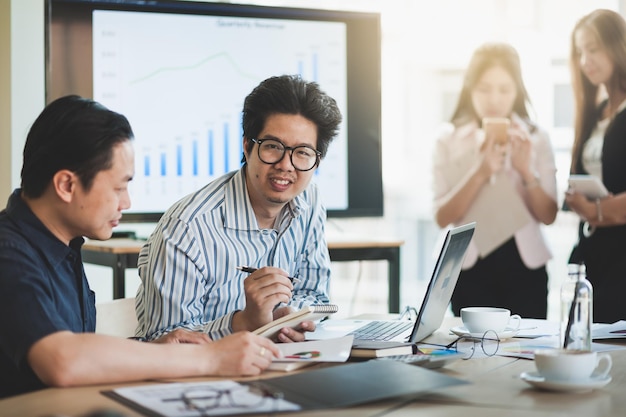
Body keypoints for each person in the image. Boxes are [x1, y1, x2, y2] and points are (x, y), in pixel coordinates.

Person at [0, 95, 279, 399]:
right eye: (119, 187)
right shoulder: (8, 253)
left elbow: (76, 352)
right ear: (67, 185)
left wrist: (148, 351)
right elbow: (62, 360)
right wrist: (210, 358)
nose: (127, 202)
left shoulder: (61, 244)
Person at [135, 74, 343, 342]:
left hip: (281, 362)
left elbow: (316, 295)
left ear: (317, 160)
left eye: (302, 152)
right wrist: (244, 322)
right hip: (204, 377)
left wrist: (290, 317)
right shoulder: (187, 227)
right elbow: (161, 340)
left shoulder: (309, 201)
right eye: (273, 147)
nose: (286, 165)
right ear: (247, 147)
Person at [432, 42, 558, 319]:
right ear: (470, 88)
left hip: (525, 266)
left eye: (504, 89)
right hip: (469, 266)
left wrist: (527, 172)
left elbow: (549, 215)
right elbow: (441, 217)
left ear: (517, 90)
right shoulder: (449, 140)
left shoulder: (536, 138)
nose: (494, 99)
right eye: (484, 89)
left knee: (525, 354)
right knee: (471, 355)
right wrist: (480, 171)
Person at [565, 9, 626, 324]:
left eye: (593, 48)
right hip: (593, 254)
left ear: (616, 46)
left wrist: (593, 211)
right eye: (580, 51)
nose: (585, 59)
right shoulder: (597, 112)